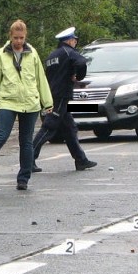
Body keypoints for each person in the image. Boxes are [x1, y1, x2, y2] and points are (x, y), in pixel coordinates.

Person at [0, 19, 53, 192]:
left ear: (25, 36)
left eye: (21, 38)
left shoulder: (32, 53)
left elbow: (40, 78)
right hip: (7, 101)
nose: (19, 41)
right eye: (15, 38)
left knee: (26, 142)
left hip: (30, 103)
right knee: (1, 136)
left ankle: (23, 179)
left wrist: (47, 102)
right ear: (10, 37)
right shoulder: (1, 55)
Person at [32, 26, 97, 172]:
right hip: (61, 95)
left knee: (70, 128)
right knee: (49, 127)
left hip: (51, 94)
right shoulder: (69, 52)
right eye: (74, 40)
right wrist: (78, 76)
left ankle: (81, 160)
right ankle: (29, 159)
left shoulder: (52, 55)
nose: (75, 43)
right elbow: (81, 62)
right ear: (69, 40)